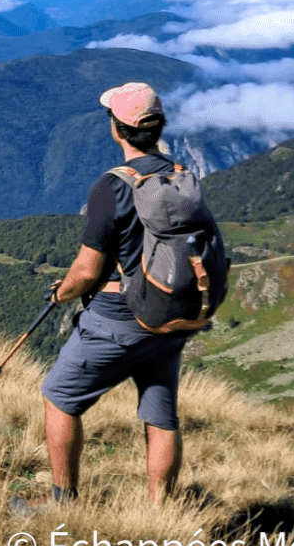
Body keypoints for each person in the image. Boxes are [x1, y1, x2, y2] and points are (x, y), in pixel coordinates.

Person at [40, 81, 190, 508]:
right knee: (161, 417)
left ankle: (62, 502)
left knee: (60, 398)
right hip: (171, 312)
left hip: (120, 317)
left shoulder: (114, 186)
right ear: (158, 127)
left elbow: (87, 272)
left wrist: (61, 294)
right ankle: (161, 514)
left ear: (117, 129)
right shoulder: (182, 177)